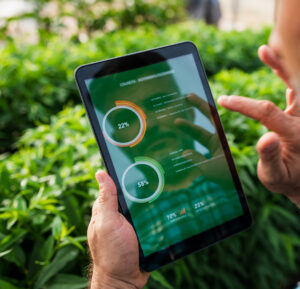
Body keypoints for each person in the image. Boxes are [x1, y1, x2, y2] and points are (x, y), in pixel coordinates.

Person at [87, 0, 300, 288]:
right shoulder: (132, 229)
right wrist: (114, 277)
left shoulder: (230, 185)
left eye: (160, 105)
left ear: (187, 108)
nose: (150, 126)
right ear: (115, 137)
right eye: (130, 121)